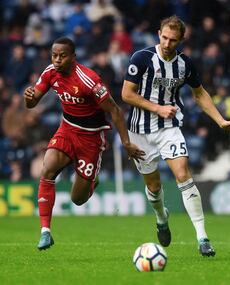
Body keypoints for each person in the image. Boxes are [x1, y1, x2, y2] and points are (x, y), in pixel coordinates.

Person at [121, 16, 230, 257]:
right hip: (140, 132)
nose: (167, 43)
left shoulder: (185, 64)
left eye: (172, 40)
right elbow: (126, 94)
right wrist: (157, 108)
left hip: (169, 128)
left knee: (183, 175)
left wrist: (220, 120)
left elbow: (200, 94)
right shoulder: (141, 58)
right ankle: (161, 217)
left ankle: (202, 237)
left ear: (180, 40)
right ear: (158, 34)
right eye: (164, 37)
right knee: (153, 186)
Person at [23, 37, 145, 250]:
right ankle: (45, 232)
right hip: (67, 129)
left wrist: (126, 142)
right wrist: (29, 98)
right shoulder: (50, 72)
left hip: (91, 138)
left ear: (73, 57)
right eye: (54, 55)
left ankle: (91, 181)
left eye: (62, 56)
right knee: (48, 169)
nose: (57, 60)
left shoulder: (88, 80)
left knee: (77, 199)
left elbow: (115, 110)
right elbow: (32, 103)